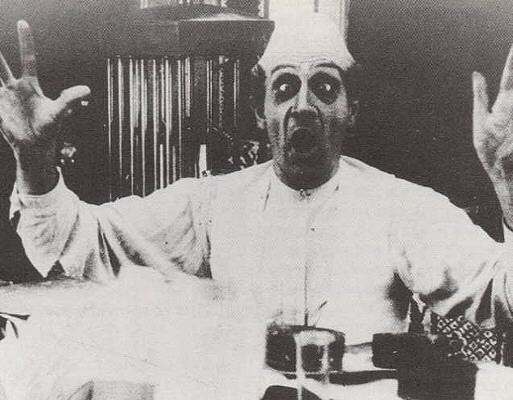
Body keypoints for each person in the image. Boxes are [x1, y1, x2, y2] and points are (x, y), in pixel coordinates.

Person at [1, 13, 513, 346]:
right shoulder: (210, 207)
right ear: (259, 109)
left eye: (325, 87)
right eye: (285, 88)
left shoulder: (399, 208)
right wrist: (32, 159)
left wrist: (509, 187)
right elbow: (81, 240)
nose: (303, 106)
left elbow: (501, 298)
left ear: (351, 109)